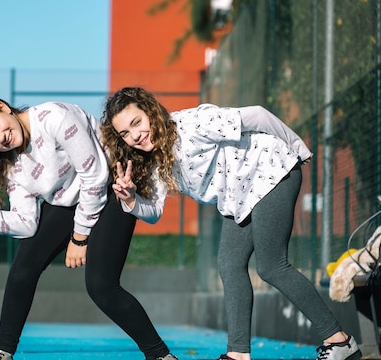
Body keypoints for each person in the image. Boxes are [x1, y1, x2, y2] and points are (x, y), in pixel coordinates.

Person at [100, 86, 362, 360]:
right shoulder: (153, 159)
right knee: (230, 264)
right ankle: (238, 354)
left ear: (150, 111)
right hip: (240, 195)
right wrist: (130, 200)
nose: (135, 136)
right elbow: (153, 212)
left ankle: (340, 341)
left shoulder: (192, 124)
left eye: (136, 122)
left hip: (270, 171)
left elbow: (258, 116)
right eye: (125, 134)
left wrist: (297, 146)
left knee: (271, 266)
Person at [0, 94, 176, 360]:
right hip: (69, 201)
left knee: (101, 285)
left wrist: (79, 238)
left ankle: (160, 355)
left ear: (2, 107)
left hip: (112, 189)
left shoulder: (55, 118)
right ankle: (2, 352)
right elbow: (25, 225)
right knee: (23, 266)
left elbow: (95, 176)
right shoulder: (14, 166)